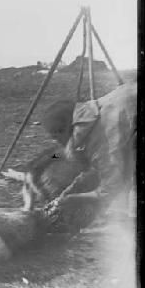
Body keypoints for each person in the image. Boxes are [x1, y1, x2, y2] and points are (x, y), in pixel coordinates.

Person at [41, 82, 137, 218]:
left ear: (62, 130)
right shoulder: (91, 114)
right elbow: (96, 168)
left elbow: (109, 188)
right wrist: (69, 192)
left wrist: (74, 199)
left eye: (55, 137)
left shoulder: (100, 135)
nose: (59, 143)